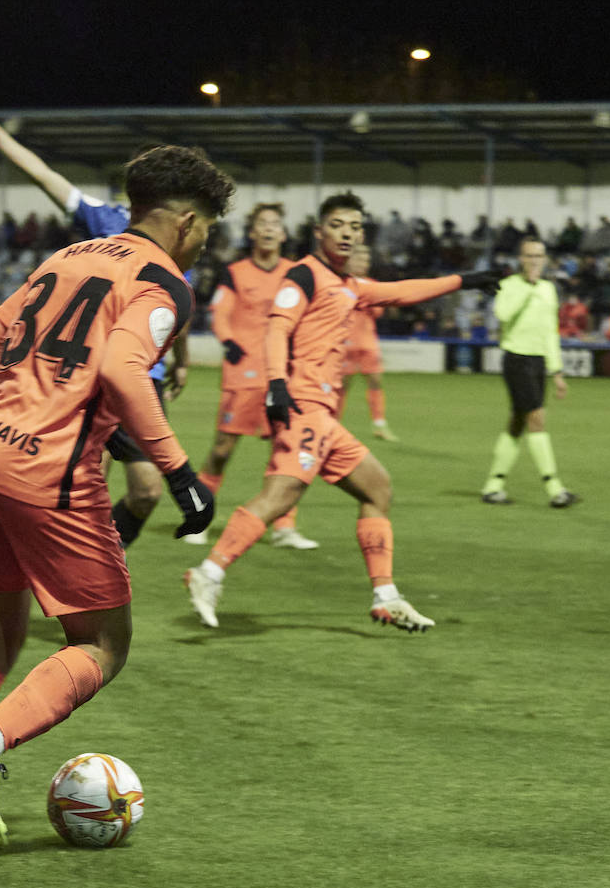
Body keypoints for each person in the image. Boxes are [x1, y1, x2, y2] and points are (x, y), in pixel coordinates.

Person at [0, 145, 231, 856]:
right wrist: (180, 472)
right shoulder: (165, 281)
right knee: (103, 643)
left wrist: (41, 396)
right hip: (46, 474)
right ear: (181, 220)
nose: (207, 240)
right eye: (207, 225)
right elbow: (120, 366)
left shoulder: (68, 255)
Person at [183, 192, 499, 631]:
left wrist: (464, 280)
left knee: (377, 489)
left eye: (355, 227)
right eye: (338, 225)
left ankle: (386, 596)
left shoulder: (349, 286)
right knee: (281, 496)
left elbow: (404, 292)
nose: (348, 233)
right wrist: (276, 382)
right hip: (303, 406)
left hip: (322, 416)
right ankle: (209, 572)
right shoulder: (304, 276)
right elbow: (278, 327)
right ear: (319, 231)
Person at [0, 80, 187, 547]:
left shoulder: (182, 237)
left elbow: (178, 300)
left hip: (142, 378)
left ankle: (98, 560)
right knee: (81, 489)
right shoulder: (102, 221)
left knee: (146, 493)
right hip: (88, 375)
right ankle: (76, 574)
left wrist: (180, 358)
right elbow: (41, 174)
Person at [179, 202, 318, 549]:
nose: (269, 229)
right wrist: (229, 341)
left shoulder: (296, 271)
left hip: (281, 375)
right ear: (253, 233)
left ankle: (285, 526)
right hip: (243, 374)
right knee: (222, 449)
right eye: (262, 224)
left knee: (284, 450)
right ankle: (199, 519)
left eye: (275, 224)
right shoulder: (235, 272)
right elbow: (220, 311)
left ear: (284, 234)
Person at [479, 239, 579, 508]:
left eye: (539, 255)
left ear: (545, 259)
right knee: (536, 418)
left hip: (537, 363)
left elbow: (550, 332)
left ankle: (493, 485)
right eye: (529, 255)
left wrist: (557, 371)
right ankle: (554, 488)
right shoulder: (511, 285)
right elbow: (502, 314)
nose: (535, 260)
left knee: (517, 422)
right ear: (521, 259)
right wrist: (528, 289)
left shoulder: (549, 289)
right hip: (516, 359)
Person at [337, 242, 397, 441]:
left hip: (368, 343)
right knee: (342, 386)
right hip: (346, 342)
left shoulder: (372, 284)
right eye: (360, 258)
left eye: (366, 259)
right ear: (350, 260)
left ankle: (379, 424)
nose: (364, 262)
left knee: (375, 381)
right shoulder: (341, 283)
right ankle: (332, 424)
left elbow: (378, 312)